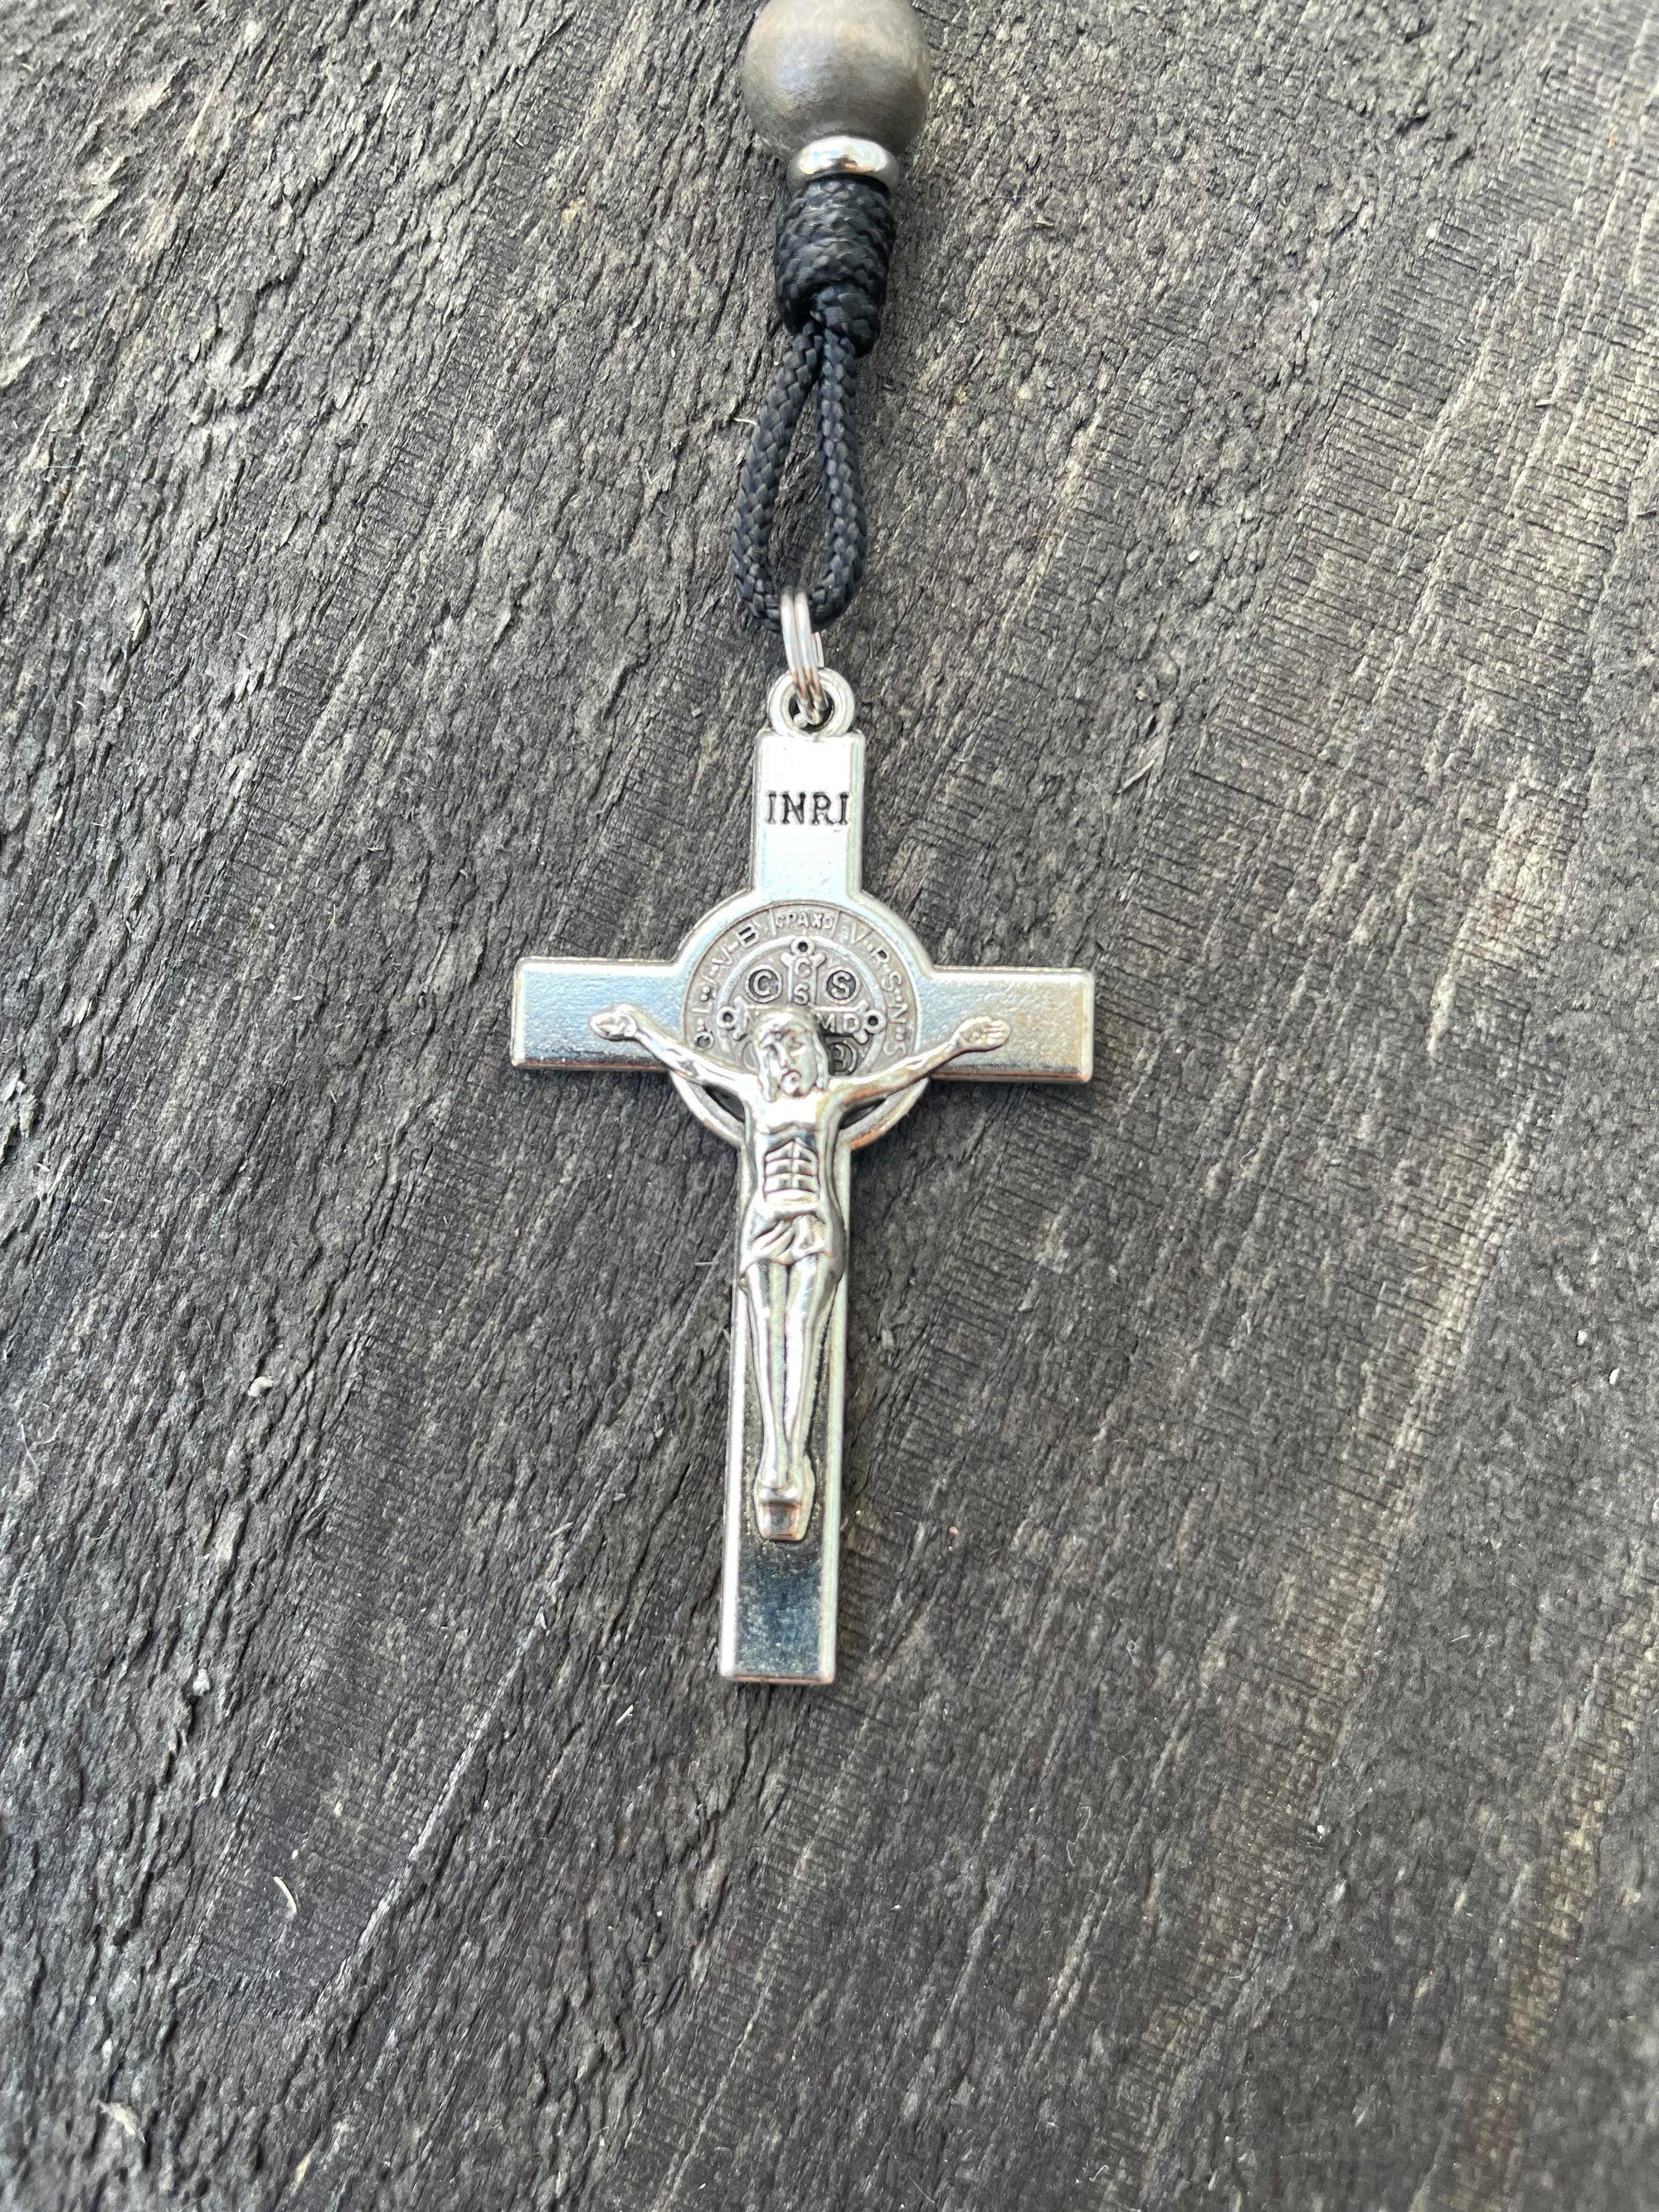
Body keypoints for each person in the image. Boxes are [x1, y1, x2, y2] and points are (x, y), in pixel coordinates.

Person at [591, 1000, 1010, 1540]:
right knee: (766, 1326)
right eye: (771, 1049)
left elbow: (897, 1075)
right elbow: (692, 1063)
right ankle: (777, 1454)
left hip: (813, 1224)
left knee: (802, 1328)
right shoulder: (752, 1094)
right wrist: (640, 1030)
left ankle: (792, 1457)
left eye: (792, 1045)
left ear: (813, 1050)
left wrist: (957, 1044)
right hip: (765, 1225)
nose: (784, 1059)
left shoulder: (830, 1099)